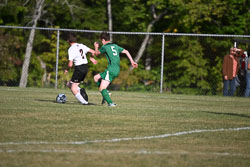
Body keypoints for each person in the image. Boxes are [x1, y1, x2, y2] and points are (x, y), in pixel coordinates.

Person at [93, 32, 138, 107]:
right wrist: (132, 61)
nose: (102, 42)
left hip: (111, 69)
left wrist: (96, 46)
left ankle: (110, 103)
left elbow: (97, 53)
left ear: (103, 40)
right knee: (96, 78)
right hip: (117, 69)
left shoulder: (105, 47)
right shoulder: (115, 46)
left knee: (101, 88)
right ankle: (106, 94)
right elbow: (126, 51)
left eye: (101, 41)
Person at [64, 33, 97, 105]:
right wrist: (91, 58)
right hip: (85, 67)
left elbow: (70, 64)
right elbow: (93, 52)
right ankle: (81, 90)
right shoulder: (81, 45)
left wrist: (67, 69)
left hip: (79, 68)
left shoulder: (71, 49)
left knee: (73, 88)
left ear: (68, 41)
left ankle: (85, 103)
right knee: (69, 84)